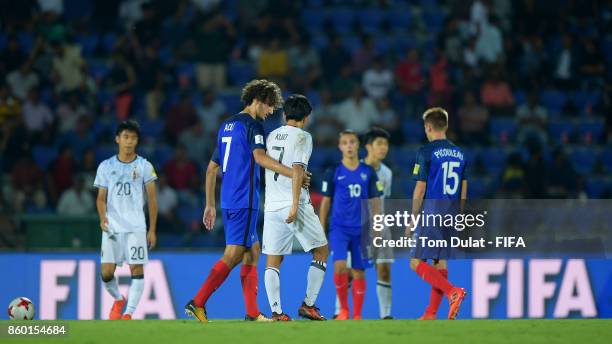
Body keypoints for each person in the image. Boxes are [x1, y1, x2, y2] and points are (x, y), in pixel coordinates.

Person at [185, 79, 303, 323]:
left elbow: (210, 169)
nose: (271, 112)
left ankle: (252, 313)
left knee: (253, 252)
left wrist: (209, 204)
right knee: (234, 254)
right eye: (270, 106)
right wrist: (294, 173)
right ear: (258, 101)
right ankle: (198, 302)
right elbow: (259, 158)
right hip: (243, 199)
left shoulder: (226, 125)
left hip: (228, 200)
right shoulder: (252, 126)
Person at [262, 94, 328, 321]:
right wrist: (293, 205)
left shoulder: (271, 135)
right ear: (307, 117)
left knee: (273, 259)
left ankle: (277, 312)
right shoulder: (303, 136)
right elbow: (298, 169)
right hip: (294, 203)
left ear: (284, 114)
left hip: (271, 203)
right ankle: (309, 304)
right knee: (321, 251)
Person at [94, 120, 158, 320]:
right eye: (125, 137)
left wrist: (152, 229)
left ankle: (128, 314)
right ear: (117, 139)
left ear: (137, 141)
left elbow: (153, 199)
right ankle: (118, 298)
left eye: (133, 138)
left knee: (136, 269)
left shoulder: (144, 166)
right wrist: (102, 217)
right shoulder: (106, 166)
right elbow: (101, 199)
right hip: (112, 227)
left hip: (136, 227)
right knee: (106, 272)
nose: (129, 142)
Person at [408, 107, 467, 320]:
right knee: (439, 263)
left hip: (433, 212)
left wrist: (412, 219)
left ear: (428, 127)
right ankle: (431, 313)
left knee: (415, 262)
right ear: (446, 126)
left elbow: (420, 189)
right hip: (451, 214)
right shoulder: (460, 153)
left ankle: (453, 291)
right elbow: (464, 189)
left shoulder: (425, 152)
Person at [319, 130, 383, 320]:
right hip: (339, 228)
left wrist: (377, 228)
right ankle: (344, 310)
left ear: (358, 146)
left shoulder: (368, 172)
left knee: (358, 271)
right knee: (339, 266)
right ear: (340, 146)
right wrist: (321, 228)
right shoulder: (333, 172)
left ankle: (357, 315)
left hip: (362, 229)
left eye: (352, 142)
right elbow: (325, 201)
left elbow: (375, 202)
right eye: (345, 142)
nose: (349, 145)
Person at [362, 128, 394, 319]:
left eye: (386, 144)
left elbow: (384, 200)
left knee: (383, 269)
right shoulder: (356, 168)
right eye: (379, 144)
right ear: (368, 147)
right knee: (352, 272)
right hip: (358, 226)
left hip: (381, 225)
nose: (383, 148)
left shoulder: (387, 173)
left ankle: (386, 315)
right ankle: (340, 311)